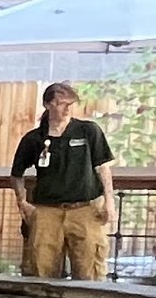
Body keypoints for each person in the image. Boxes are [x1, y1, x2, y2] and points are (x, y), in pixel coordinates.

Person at [9, 82, 114, 280]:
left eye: (71, 104)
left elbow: (103, 168)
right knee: (42, 268)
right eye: (61, 103)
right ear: (48, 105)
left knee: (89, 270)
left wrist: (109, 201)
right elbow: (16, 174)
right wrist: (21, 201)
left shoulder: (88, 131)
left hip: (86, 209)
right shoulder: (34, 139)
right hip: (46, 210)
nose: (67, 108)